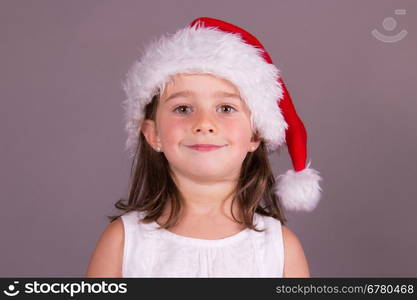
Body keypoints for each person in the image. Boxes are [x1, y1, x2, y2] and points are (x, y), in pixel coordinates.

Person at [85, 17, 323, 278]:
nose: (204, 124)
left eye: (225, 108)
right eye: (183, 108)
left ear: (256, 133)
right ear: (153, 135)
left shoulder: (281, 249)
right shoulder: (123, 243)